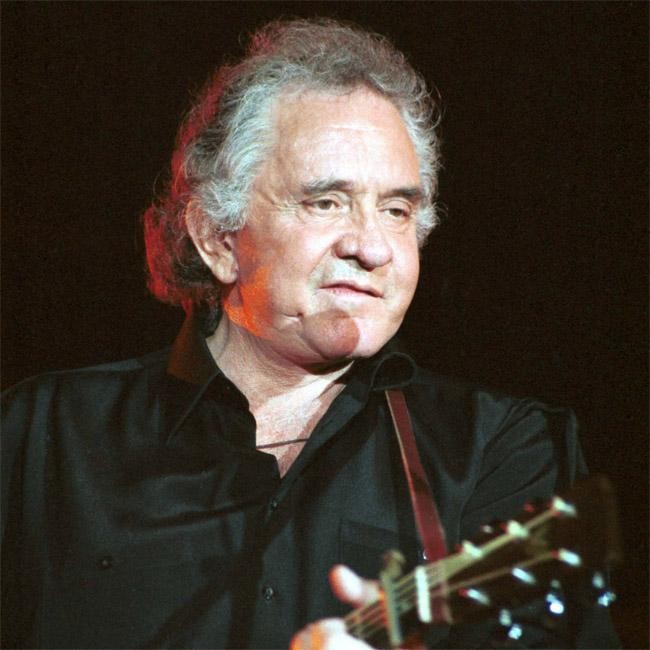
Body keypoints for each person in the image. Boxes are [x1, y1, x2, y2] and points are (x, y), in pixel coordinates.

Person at [2, 17, 618, 650]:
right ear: (217, 238)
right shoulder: (42, 436)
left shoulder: (498, 449)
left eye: (396, 210)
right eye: (326, 202)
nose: (372, 247)